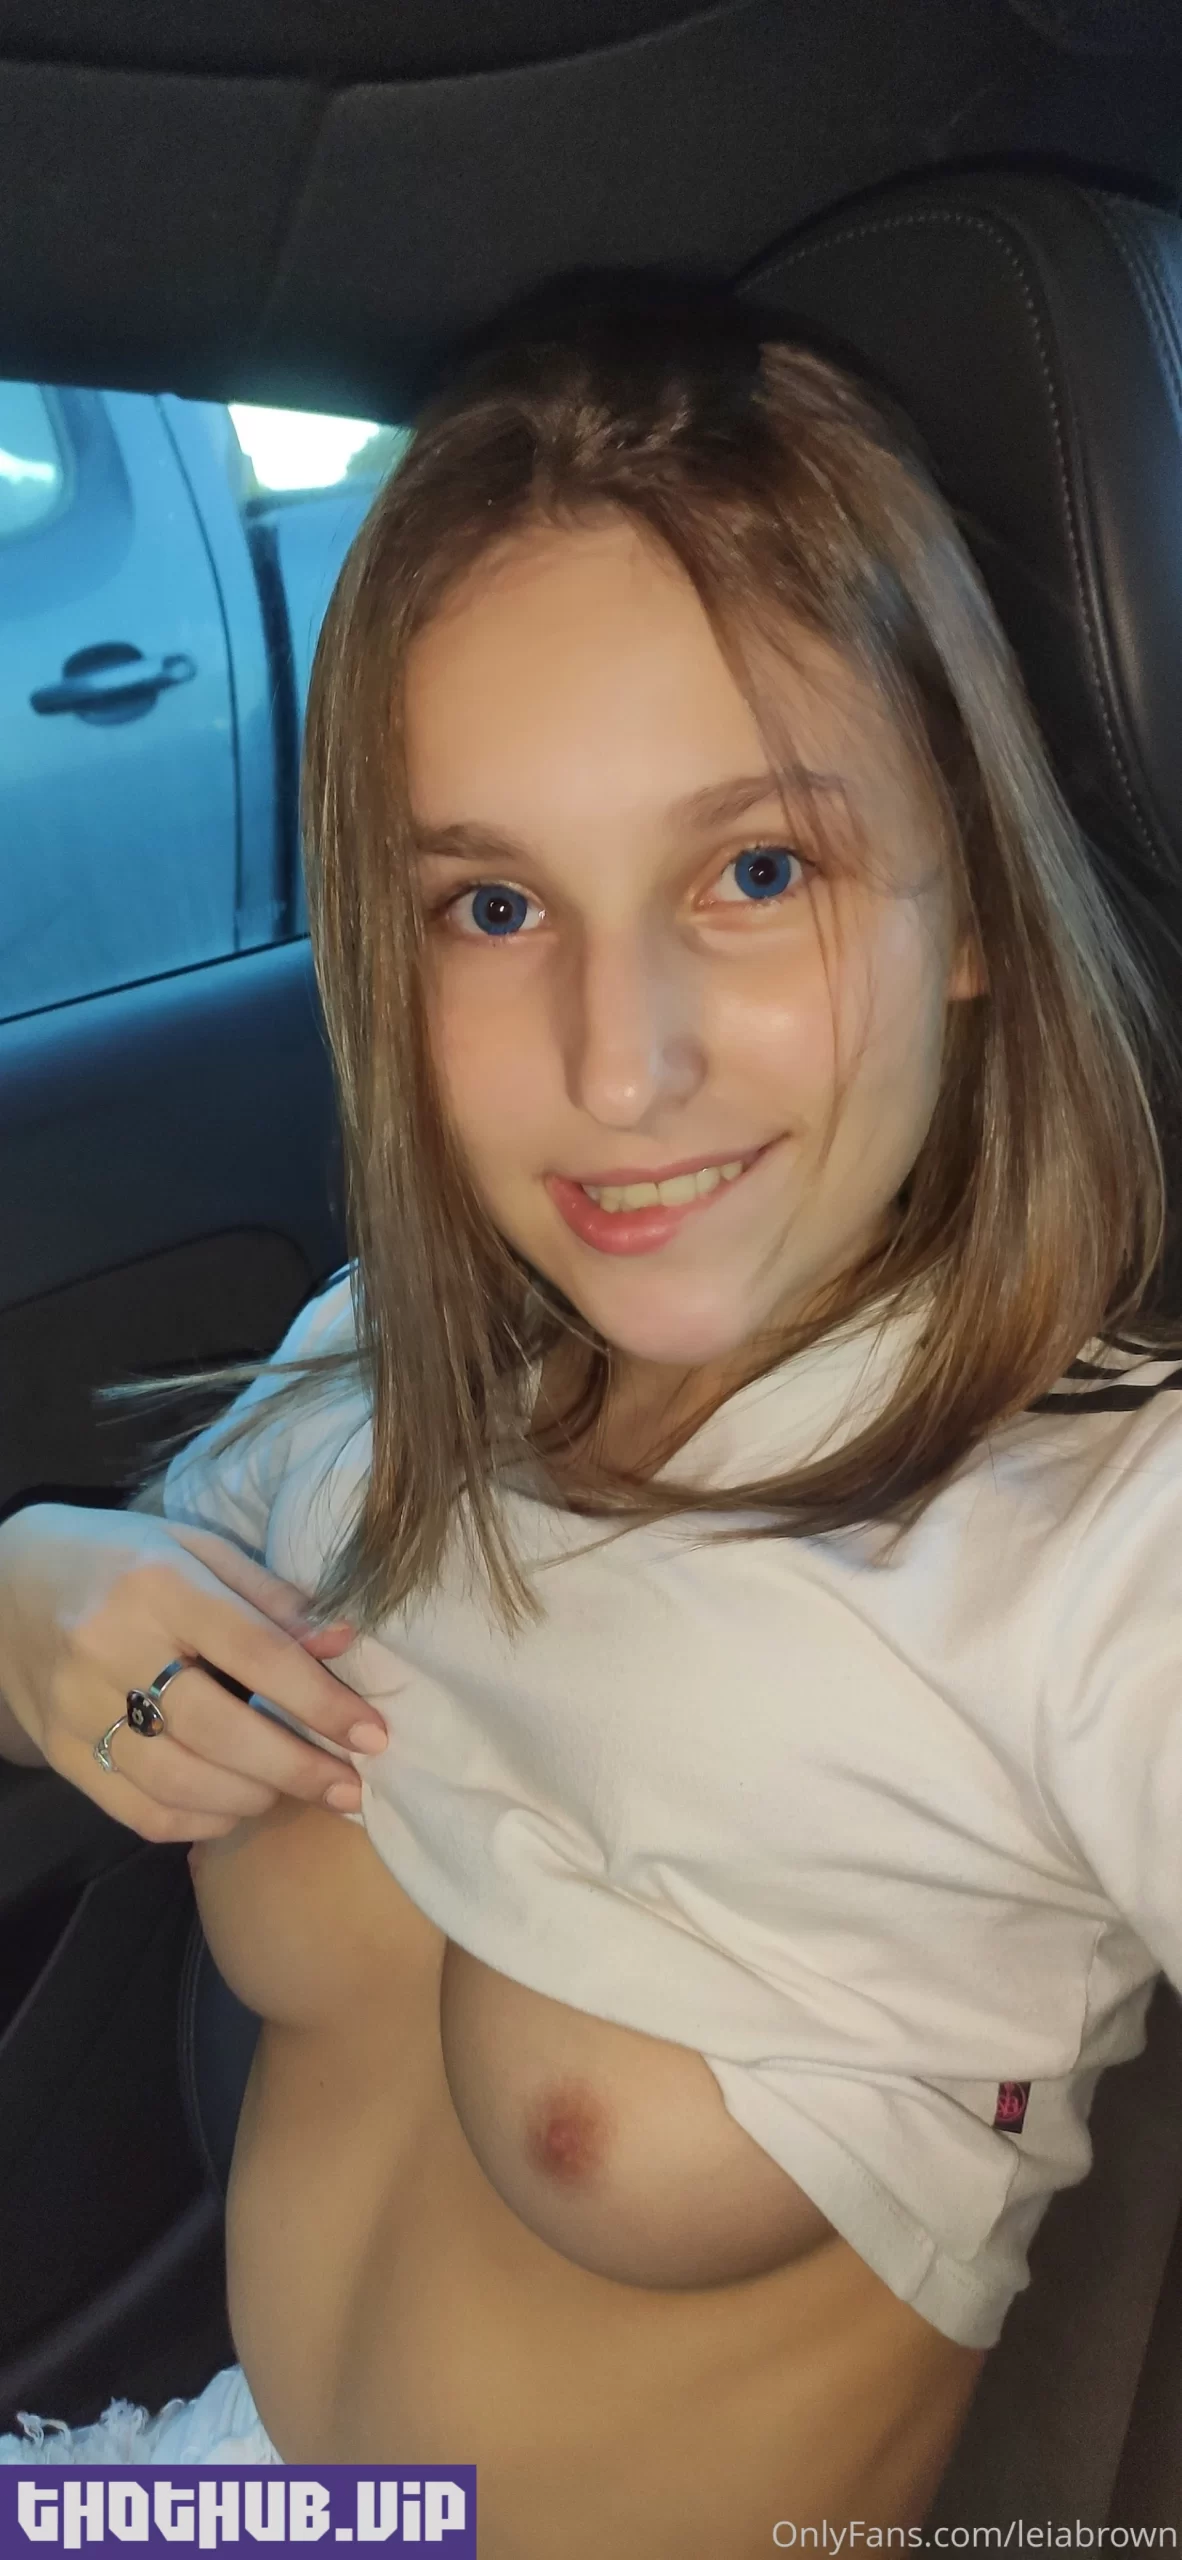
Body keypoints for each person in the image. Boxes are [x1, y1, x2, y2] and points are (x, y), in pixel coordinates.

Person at [3, 269, 1182, 2548]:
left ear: (965, 904)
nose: (615, 1066)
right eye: (491, 905)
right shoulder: (386, 1375)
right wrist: (35, 1585)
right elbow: (103, 1619)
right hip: (234, 2493)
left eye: (756, 870)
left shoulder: (1092, 1537)